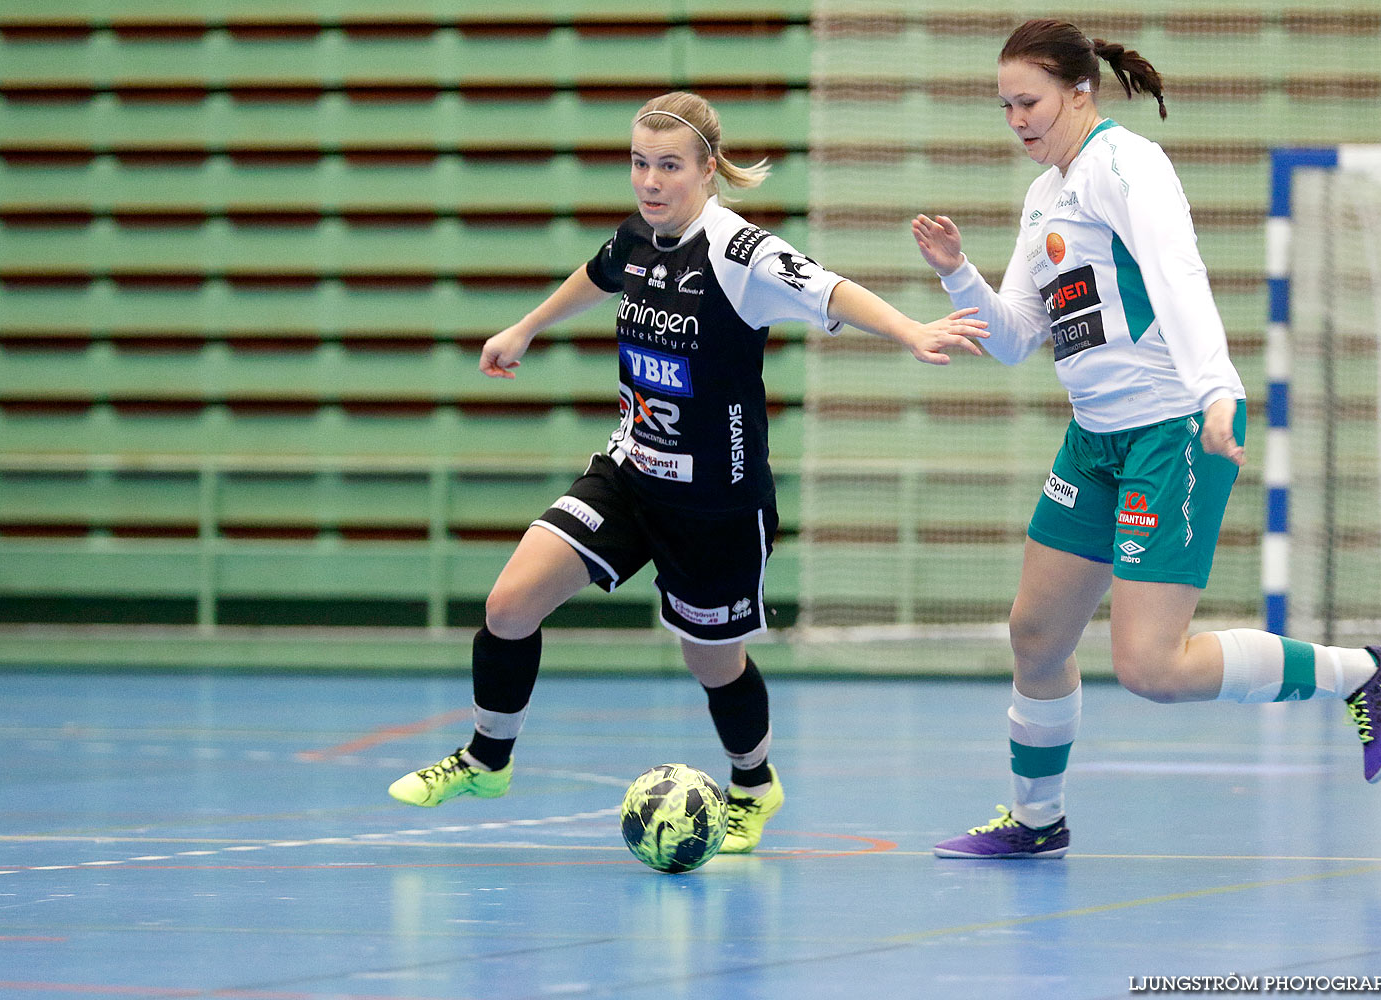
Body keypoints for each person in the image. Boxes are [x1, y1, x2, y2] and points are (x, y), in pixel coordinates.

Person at [388, 90, 988, 854]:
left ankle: (754, 785)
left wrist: (909, 330)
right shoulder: (640, 236)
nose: (649, 180)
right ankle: (487, 757)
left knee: (712, 662)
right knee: (509, 604)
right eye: (640, 163)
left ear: (708, 169)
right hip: (631, 473)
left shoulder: (742, 254)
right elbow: (598, 272)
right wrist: (527, 326)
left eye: (669, 165)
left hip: (717, 506)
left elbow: (830, 289)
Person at [914, 19, 1381, 860]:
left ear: (1081, 92)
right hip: (1094, 440)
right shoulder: (1045, 198)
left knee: (1151, 666)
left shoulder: (1125, 165)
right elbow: (1012, 339)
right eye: (1003, 107)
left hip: (1172, 428)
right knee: (1036, 636)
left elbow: (1178, 272)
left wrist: (1216, 387)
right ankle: (1038, 821)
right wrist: (957, 271)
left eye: (1028, 102)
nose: (1016, 121)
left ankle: (1362, 672)